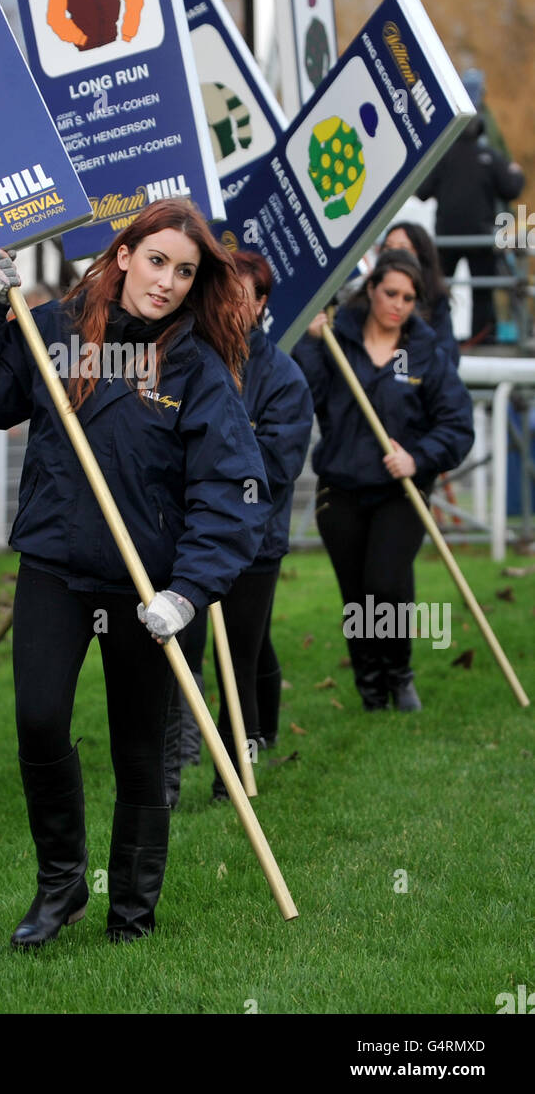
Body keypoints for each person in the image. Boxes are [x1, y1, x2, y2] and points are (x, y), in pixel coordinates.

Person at [0, 200, 271, 948]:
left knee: (141, 750)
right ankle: (62, 886)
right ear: (123, 256)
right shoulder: (52, 328)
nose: (169, 281)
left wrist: (188, 592)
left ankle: (133, 915)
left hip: (146, 590)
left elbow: (232, 492)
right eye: (157, 261)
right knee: (39, 719)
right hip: (55, 563)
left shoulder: (198, 366)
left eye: (185, 271)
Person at [294, 250, 474, 713]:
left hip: (401, 491)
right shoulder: (335, 339)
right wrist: (312, 342)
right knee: (356, 595)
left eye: (409, 298)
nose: (398, 304)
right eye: (390, 293)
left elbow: (456, 425)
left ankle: (399, 673)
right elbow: (305, 399)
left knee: (385, 585)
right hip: (341, 487)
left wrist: (419, 458)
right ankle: (370, 684)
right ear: (371, 288)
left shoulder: (425, 352)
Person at [208, 252, 314, 798]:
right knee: (211, 650)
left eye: (242, 297)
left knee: (238, 658)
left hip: (253, 543)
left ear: (263, 305)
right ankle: (172, 769)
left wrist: (212, 466)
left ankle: (233, 776)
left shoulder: (285, 379)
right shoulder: (190, 357)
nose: (230, 307)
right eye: (221, 294)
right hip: (188, 536)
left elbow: (273, 469)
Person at [418, 68, 524, 344]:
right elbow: (511, 187)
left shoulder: (443, 155)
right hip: (479, 235)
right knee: (480, 292)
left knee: (440, 290)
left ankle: (436, 339)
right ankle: (480, 339)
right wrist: (515, 172)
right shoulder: (488, 153)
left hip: (447, 237)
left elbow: (422, 190)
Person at [380, 222, 459, 365]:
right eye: (388, 248)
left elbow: (447, 355)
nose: (398, 305)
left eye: (408, 298)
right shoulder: (361, 305)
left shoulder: (436, 301)